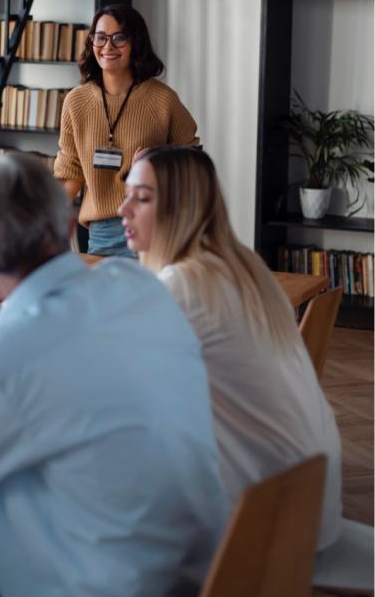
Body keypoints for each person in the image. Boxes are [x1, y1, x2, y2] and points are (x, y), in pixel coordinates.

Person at [0, 152, 227, 597]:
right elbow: (64, 375)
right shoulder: (138, 285)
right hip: (198, 573)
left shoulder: (9, 353)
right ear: (67, 226)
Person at [118, 145, 343, 550]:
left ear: (181, 208)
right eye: (127, 194)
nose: (123, 209)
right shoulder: (242, 267)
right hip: (310, 501)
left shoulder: (183, 285)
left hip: (263, 527)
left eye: (143, 198)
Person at [54, 4, 199, 257]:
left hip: (156, 228)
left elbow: (194, 163)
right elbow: (71, 171)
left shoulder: (163, 100)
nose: (107, 46)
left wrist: (157, 161)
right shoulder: (75, 102)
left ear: (136, 43)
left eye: (119, 38)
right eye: (100, 37)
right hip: (103, 234)